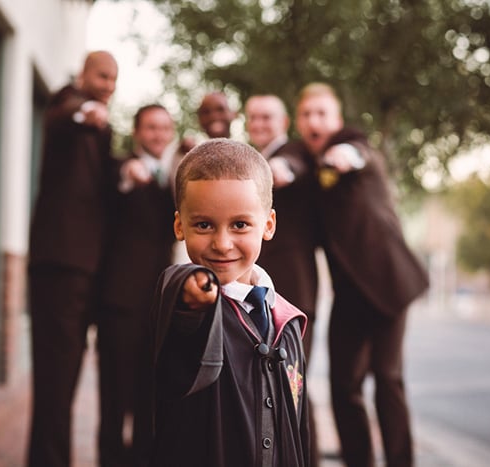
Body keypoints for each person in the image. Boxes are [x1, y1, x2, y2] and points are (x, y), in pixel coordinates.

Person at [134, 138, 311, 467]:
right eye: (203, 225)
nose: (222, 243)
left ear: (268, 224)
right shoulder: (186, 305)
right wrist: (191, 298)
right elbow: (179, 298)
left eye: (240, 225)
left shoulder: (287, 321)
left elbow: (298, 427)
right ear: (179, 226)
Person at [294, 83, 429, 467]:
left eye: (321, 113)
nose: (313, 121)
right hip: (349, 293)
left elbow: (358, 153)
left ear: (336, 120)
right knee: (343, 387)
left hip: (389, 284)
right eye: (306, 114)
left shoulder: (351, 147)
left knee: (387, 379)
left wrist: (344, 155)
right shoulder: (306, 165)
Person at [27, 50, 119, 467]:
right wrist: (86, 111)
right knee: (54, 382)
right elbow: (69, 113)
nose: (108, 85)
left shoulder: (104, 129)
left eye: (113, 80)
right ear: (82, 74)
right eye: (101, 76)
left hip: (91, 271)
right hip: (59, 268)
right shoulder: (67, 105)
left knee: (68, 380)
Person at [96, 104, 177, 465]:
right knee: (114, 397)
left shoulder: (175, 177)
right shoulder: (120, 167)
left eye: (164, 128)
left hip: (160, 305)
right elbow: (119, 179)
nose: (158, 134)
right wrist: (130, 173)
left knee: (152, 396)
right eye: (150, 128)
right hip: (120, 303)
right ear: (137, 131)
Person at [244, 94, 320, 466]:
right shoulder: (252, 156)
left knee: (295, 386)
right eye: (253, 117)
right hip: (261, 292)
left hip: (295, 292)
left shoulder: (295, 153)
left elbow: (287, 169)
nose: (259, 123)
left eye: (267, 117)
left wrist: (247, 178)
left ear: (284, 121)